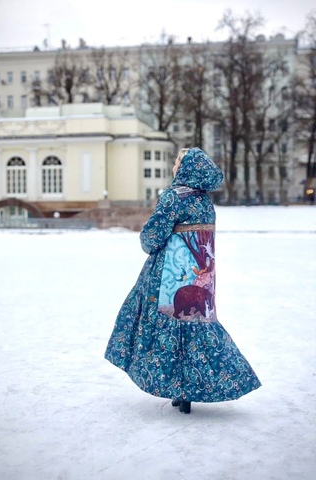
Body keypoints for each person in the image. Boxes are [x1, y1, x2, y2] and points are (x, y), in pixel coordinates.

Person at [105, 147, 261, 414]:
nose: (174, 166)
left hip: (170, 277)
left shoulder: (173, 198)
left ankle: (175, 387)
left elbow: (151, 238)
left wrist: (146, 237)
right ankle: (194, 388)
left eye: (178, 161)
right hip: (202, 281)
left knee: (155, 323)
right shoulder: (205, 201)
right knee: (196, 331)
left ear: (188, 167)